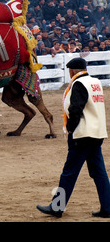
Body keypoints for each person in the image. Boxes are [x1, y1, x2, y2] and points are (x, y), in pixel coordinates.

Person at [37, 57, 110, 218]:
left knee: (69, 173)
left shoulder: (78, 84)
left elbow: (75, 108)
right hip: (97, 133)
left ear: (72, 71)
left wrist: (70, 129)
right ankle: (107, 207)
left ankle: (57, 207)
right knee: (99, 172)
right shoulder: (95, 82)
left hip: (82, 134)